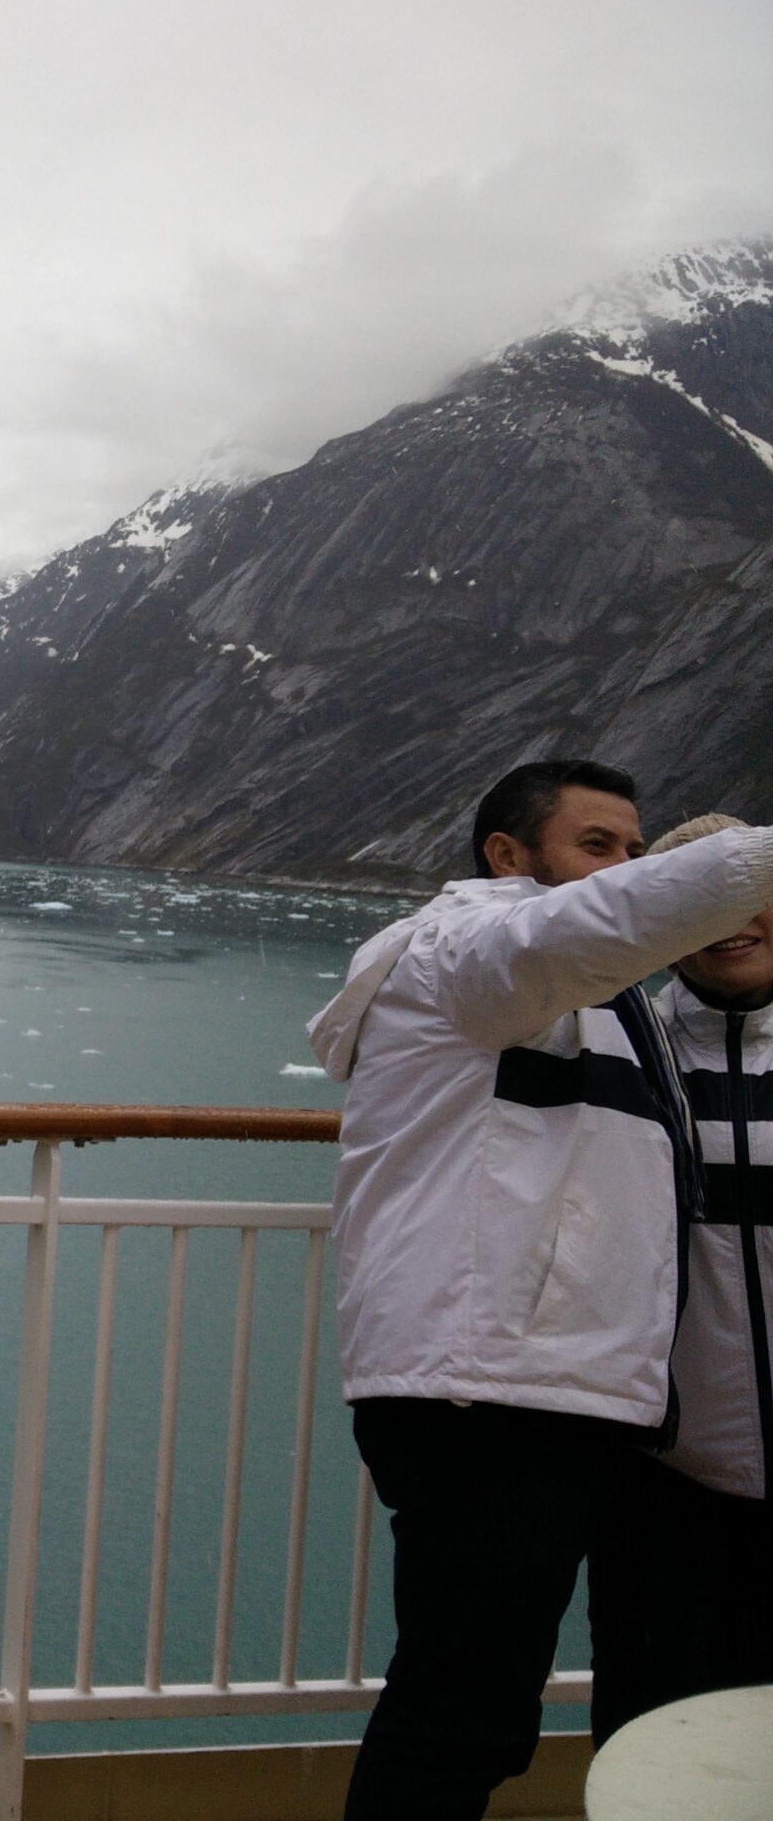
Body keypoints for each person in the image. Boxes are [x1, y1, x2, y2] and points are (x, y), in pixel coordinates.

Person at [306, 759, 773, 1821]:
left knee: (475, 1705)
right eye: (594, 845)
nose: (621, 869)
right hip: (487, 1394)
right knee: (461, 1711)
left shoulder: (605, 1005)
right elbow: (592, 928)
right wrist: (739, 861)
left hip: (556, 1399)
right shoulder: (477, 944)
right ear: (507, 858)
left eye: (630, 849)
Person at [588, 812, 773, 1744]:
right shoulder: (621, 1050)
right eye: (695, 900)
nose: (729, 920)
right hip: (665, 1474)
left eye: (745, 893)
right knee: (653, 1730)